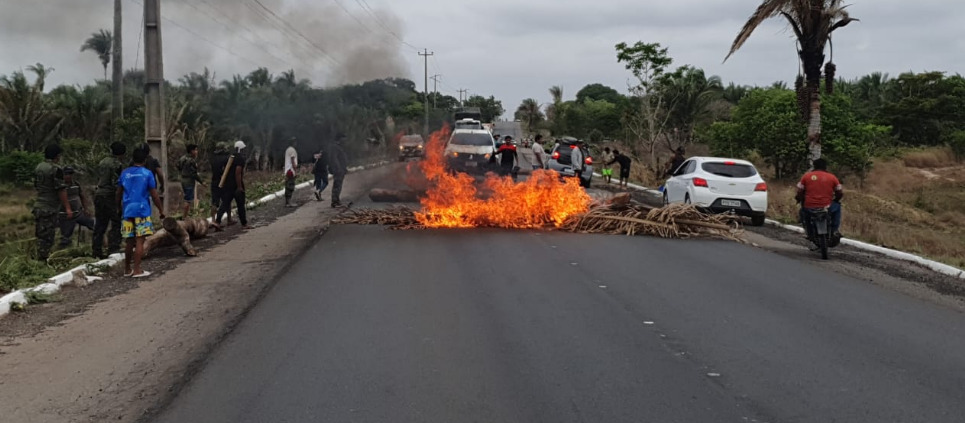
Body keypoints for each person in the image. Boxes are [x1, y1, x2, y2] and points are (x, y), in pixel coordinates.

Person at [117, 147, 165, 278]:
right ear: (145, 160)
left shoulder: (124, 173)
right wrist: (161, 210)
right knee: (140, 241)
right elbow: (154, 195)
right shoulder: (147, 173)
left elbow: (119, 192)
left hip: (128, 210)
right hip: (142, 210)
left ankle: (127, 269)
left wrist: (118, 207)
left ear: (132, 159)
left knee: (129, 240)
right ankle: (137, 269)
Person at [33, 144, 73, 261]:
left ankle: (39, 258)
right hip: (49, 207)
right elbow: (61, 189)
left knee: (40, 235)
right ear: (57, 156)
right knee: (48, 237)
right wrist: (68, 208)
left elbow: (36, 185)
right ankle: (43, 260)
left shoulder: (39, 167)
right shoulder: (56, 169)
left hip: (39, 205)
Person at [796, 158, 844, 244]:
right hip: (827, 207)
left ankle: (809, 233)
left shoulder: (806, 176)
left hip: (809, 206)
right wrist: (836, 199)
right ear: (825, 167)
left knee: (804, 214)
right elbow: (839, 192)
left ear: (814, 166)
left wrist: (799, 199)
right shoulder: (832, 177)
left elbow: (799, 191)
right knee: (837, 207)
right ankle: (834, 230)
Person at [92, 142, 126, 258]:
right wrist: (118, 204)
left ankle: (96, 250)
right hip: (109, 195)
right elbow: (116, 184)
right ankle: (113, 247)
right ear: (122, 154)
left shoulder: (103, 161)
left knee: (100, 223)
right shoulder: (117, 164)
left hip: (99, 193)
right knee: (116, 221)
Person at [217, 141, 250, 229]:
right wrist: (239, 187)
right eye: (243, 149)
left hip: (227, 185)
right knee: (240, 205)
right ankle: (244, 223)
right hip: (236, 185)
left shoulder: (230, 157)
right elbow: (238, 173)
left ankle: (217, 222)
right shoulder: (240, 159)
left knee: (225, 204)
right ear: (241, 149)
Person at [59, 167, 96, 248]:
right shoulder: (60, 186)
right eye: (66, 174)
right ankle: (62, 253)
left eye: (70, 174)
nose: (68, 176)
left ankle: (100, 246)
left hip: (78, 213)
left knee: (93, 224)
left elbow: (82, 196)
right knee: (66, 237)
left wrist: (85, 209)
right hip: (66, 216)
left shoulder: (76, 184)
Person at [176, 144, 205, 218]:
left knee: (187, 198)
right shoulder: (191, 161)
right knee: (188, 200)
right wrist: (202, 182)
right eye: (195, 150)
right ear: (192, 151)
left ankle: (185, 215)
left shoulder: (182, 158)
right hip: (189, 181)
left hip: (183, 179)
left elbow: (178, 166)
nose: (196, 152)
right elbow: (194, 174)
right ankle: (184, 217)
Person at [209, 142, 231, 227]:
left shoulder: (213, 158)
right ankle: (229, 219)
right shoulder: (226, 158)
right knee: (227, 200)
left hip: (214, 181)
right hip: (224, 181)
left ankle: (213, 220)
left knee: (214, 202)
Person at [326, 134, 349, 207]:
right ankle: (335, 201)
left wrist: (344, 168)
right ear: (340, 139)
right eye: (344, 139)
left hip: (341, 169)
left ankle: (337, 200)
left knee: (339, 185)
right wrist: (338, 168)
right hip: (338, 170)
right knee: (337, 185)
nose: (345, 141)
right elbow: (334, 159)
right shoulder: (335, 147)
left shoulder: (338, 147)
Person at [283, 138, 298, 207]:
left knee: (287, 186)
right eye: (295, 142)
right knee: (290, 186)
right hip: (291, 171)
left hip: (287, 170)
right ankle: (289, 203)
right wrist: (295, 171)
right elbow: (292, 161)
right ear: (293, 143)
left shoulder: (288, 149)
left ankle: (287, 202)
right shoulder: (292, 150)